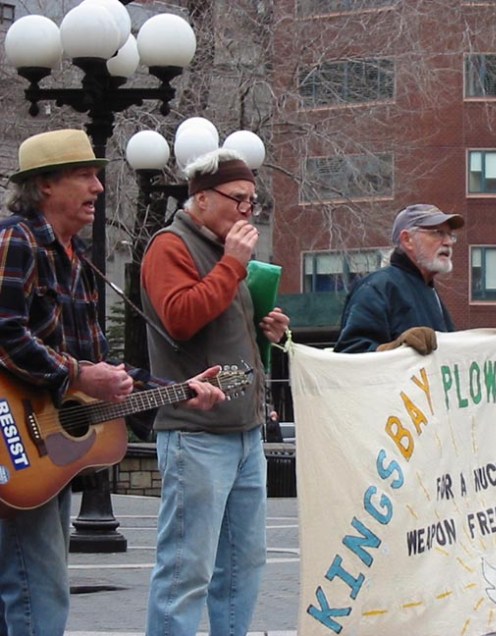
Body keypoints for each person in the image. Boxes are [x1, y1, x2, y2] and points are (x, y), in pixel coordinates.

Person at [0, 129, 224, 635]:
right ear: (46, 185)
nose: (98, 188)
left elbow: (103, 368)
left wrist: (179, 390)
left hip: (43, 457)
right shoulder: (18, 240)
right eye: (85, 175)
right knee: (38, 589)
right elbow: (5, 332)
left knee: (28, 586)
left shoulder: (77, 259)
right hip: (13, 434)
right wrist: (78, 374)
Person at [140, 148, 290, 635]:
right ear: (202, 199)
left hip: (244, 432)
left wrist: (269, 330)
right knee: (187, 570)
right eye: (238, 199)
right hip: (196, 433)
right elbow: (180, 319)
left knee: (244, 565)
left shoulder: (227, 253)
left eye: (253, 201)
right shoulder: (171, 246)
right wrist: (231, 265)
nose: (248, 211)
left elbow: (221, 326)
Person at [334, 203, 464, 354]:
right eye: (438, 233)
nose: (448, 242)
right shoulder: (377, 288)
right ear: (407, 240)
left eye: (450, 235)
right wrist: (395, 347)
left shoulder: (428, 290)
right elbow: (350, 354)